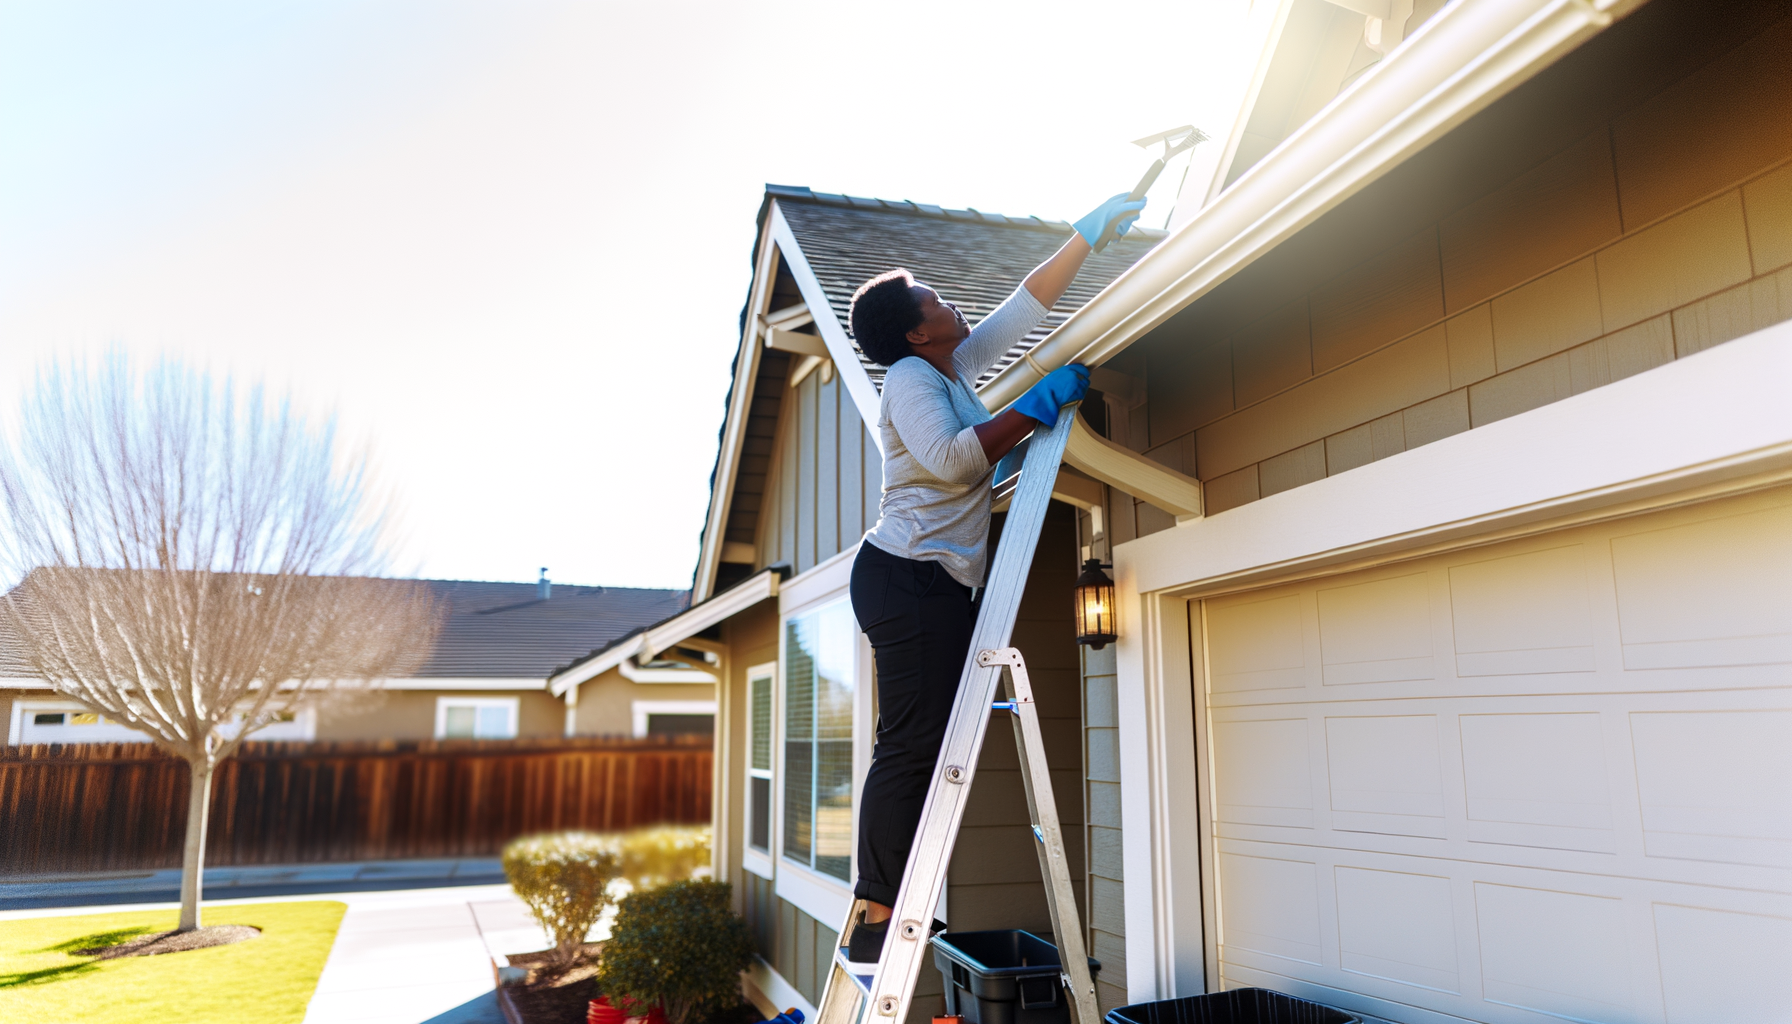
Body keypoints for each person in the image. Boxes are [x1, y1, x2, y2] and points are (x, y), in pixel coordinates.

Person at [842, 192, 1146, 962]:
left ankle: (893, 895)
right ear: (917, 331)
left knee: (922, 741)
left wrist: (1085, 236)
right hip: (908, 576)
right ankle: (878, 911)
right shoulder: (911, 379)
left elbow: (1025, 306)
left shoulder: (947, 368)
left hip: (927, 581)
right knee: (910, 746)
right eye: (935, 299)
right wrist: (1035, 410)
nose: (951, 302)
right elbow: (951, 461)